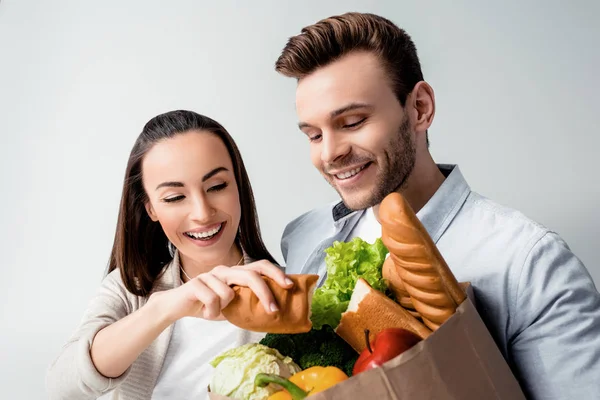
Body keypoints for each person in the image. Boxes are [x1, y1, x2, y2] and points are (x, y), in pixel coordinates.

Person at [274, 12, 600, 399]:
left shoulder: (529, 263)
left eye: (352, 122)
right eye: (313, 135)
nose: (330, 153)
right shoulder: (303, 236)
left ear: (420, 108)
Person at [45, 110, 292, 400]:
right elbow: (60, 387)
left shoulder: (289, 292)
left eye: (217, 186)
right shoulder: (130, 290)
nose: (202, 213)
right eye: (175, 197)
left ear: (238, 185)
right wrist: (164, 309)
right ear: (150, 208)